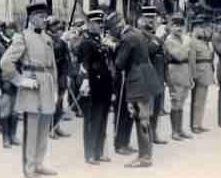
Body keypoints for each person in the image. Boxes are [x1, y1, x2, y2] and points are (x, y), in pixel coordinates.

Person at [0, 3, 58, 178]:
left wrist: (54, 88)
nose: (44, 19)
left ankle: (39, 163)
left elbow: (53, 66)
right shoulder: (22, 37)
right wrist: (19, 80)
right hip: (31, 86)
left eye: (45, 16)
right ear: (32, 18)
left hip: (47, 86)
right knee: (31, 130)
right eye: (40, 16)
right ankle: (29, 167)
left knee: (44, 128)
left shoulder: (48, 38)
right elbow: (5, 62)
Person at [106, 12, 163, 168]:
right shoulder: (137, 33)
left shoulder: (127, 39)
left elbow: (119, 64)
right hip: (148, 78)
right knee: (145, 118)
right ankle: (146, 154)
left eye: (111, 30)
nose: (111, 33)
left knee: (141, 118)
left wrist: (112, 48)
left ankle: (144, 157)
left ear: (117, 27)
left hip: (138, 80)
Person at [78, 10, 114, 165]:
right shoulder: (86, 42)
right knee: (92, 121)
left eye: (101, 23)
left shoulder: (100, 41)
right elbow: (84, 65)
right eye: (97, 23)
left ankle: (99, 152)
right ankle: (90, 154)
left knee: (102, 120)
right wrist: (85, 81)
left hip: (104, 86)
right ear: (90, 24)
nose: (100, 25)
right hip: (92, 87)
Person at [138, 6, 167, 144]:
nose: (151, 21)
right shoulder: (140, 34)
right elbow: (147, 52)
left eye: (153, 18)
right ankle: (146, 138)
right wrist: (157, 40)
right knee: (147, 111)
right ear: (142, 19)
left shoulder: (158, 34)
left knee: (156, 110)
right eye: (148, 18)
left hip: (159, 76)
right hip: (148, 77)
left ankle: (154, 133)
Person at [0, 23, 21, 148]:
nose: (12, 32)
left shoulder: (14, 45)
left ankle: (13, 135)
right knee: (5, 111)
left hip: (15, 83)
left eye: (13, 29)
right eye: (9, 29)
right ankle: (6, 138)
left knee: (15, 111)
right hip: (4, 85)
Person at [164, 14, 194, 140]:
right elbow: (179, 56)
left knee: (181, 102)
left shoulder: (183, 39)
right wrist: (187, 44)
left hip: (185, 71)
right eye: (176, 25)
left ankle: (180, 129)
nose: (179, 28)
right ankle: (174, 132)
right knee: (176, 102)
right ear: (171, 27)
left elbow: (190, 58)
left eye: (181, 25)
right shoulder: (169, 40)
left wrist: (191, 75)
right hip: (175, 71)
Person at [189, 14, 214, 134]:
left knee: (202, 100)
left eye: (202, 27)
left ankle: (198, 123)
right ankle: (195, 125)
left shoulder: (203, 42)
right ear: (193, 28)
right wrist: (193, 76)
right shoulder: (193, 42)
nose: (202, 30)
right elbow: (192, 61)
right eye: (199, 27)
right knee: (198, 101)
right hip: (199, 73)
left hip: (205, 72)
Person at [49, 16, 71, 139]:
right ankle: (50, 128)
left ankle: (56, 126)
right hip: (52, 76)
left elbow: (67, 60)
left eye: (59, 28)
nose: (58, 31)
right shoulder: (48, 42)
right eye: (55, 28)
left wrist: (67, 75)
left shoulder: (62, 43)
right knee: (52, 103)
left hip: (62, 76)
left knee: (60, 103)